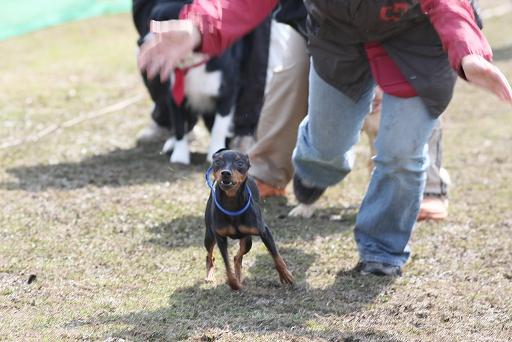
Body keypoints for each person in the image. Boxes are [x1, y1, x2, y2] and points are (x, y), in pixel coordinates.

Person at [138, 0, 512, 276]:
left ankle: (382, 252)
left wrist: (468, 54)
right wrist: (201, 26)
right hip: (338, 39)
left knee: (402, 154)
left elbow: (449, 6)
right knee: (325, 150)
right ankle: (315, 165)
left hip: (417, 40)